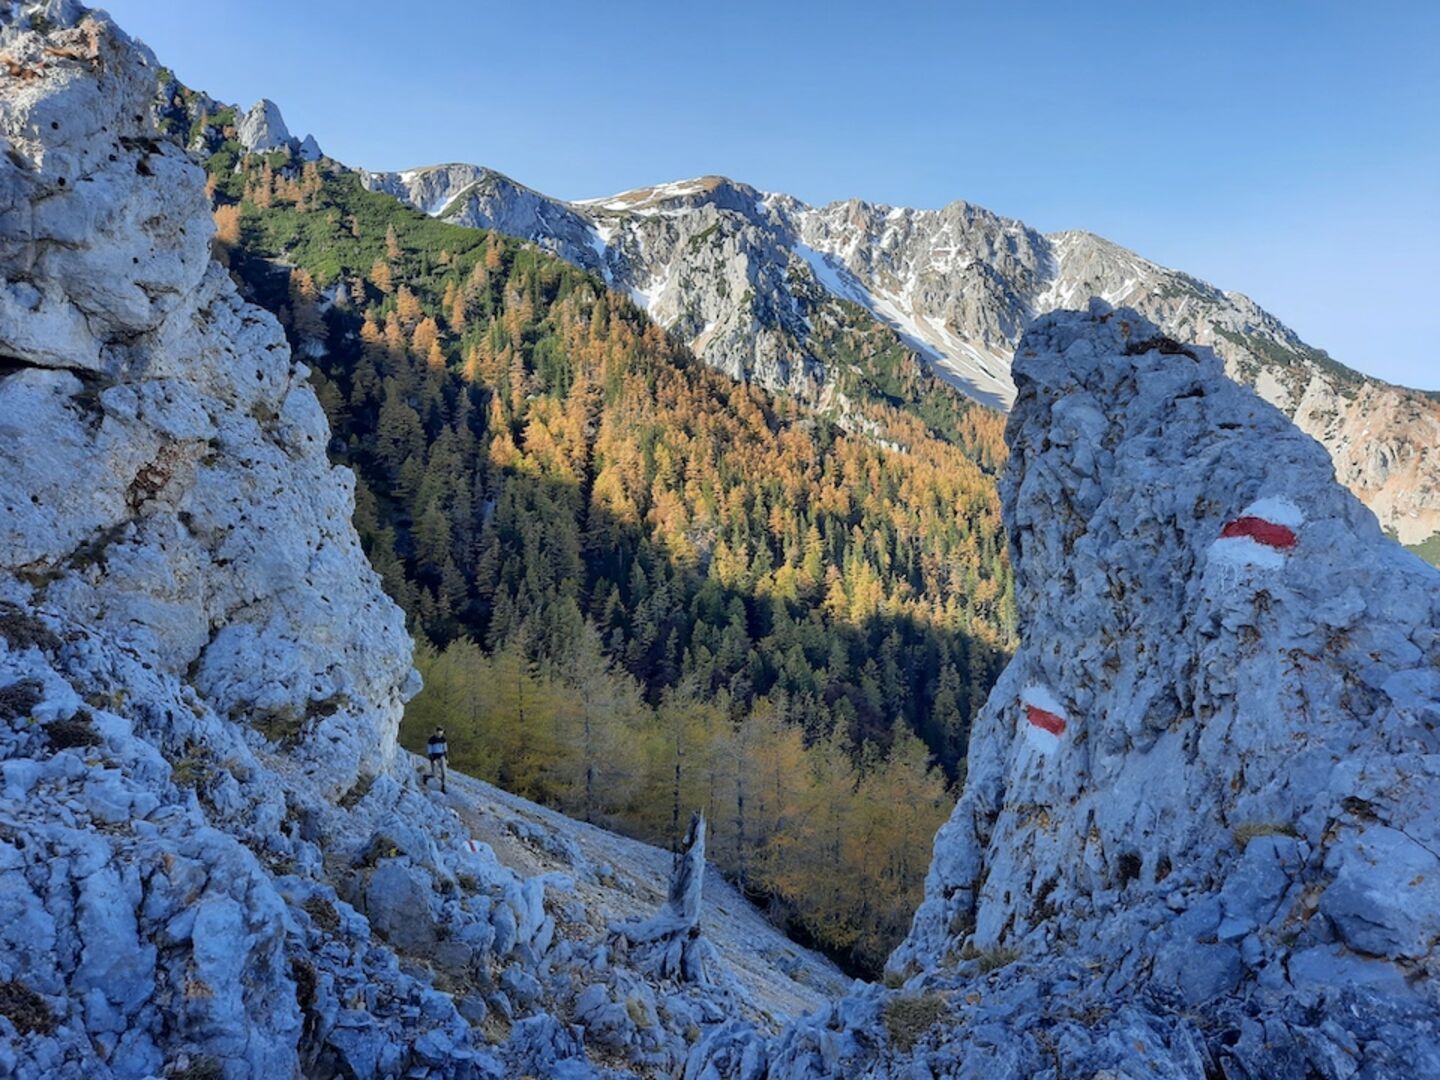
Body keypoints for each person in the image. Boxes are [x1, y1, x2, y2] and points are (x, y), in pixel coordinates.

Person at [426, 727, 448, 793]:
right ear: (436, 732)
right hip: (434, 758)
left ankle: (443, 787)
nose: (440, 734)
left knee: (444, 773)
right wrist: (432, 760)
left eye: (441, 733)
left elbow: (445, 749)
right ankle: (425, 777)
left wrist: (446, 758)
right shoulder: (431, 739)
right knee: (434, 775)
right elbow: (429, 751)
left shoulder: (443, 739)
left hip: (442, 757)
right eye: (438, 733)